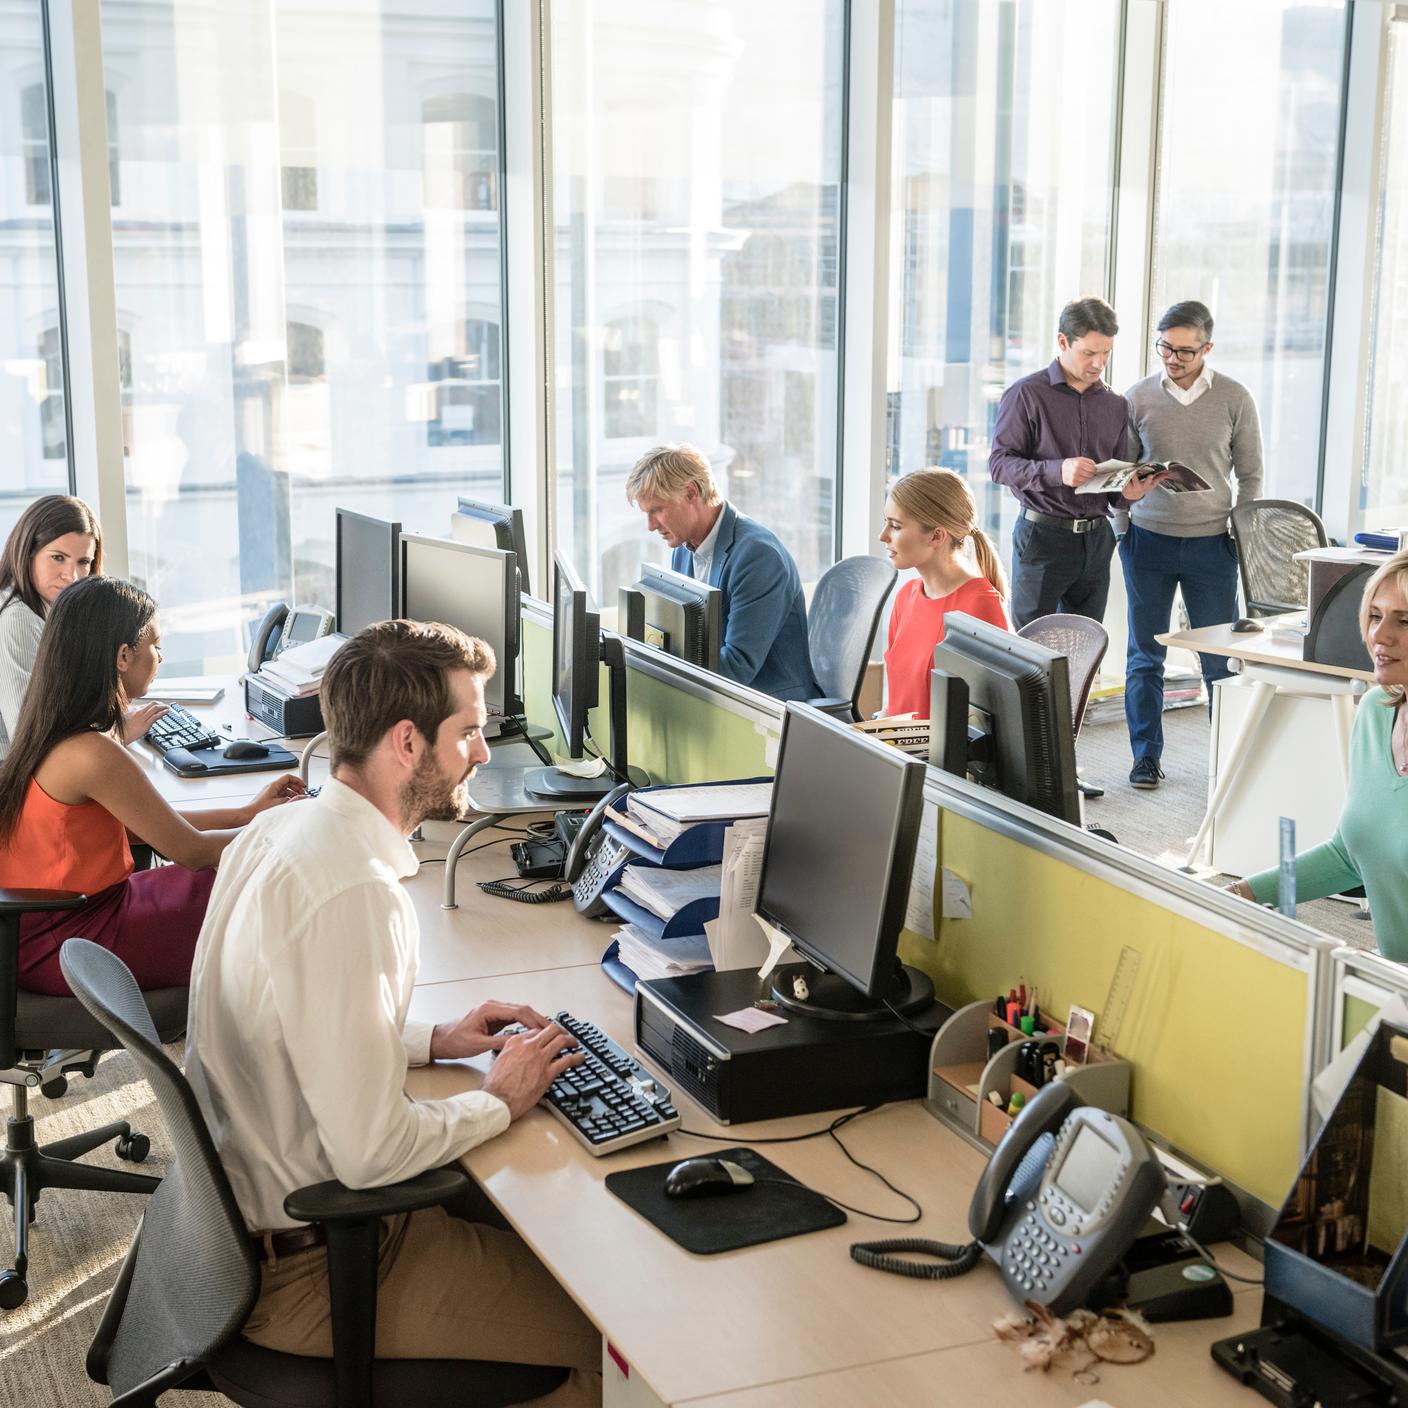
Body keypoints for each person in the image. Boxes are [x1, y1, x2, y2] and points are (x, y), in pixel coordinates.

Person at [184, 619, 601, 1405]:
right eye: (469, 732)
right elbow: (371, 1157)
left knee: (550, 1231)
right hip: (317, 1269)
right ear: (408, 743)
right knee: (616, 1346)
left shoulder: (278, 832)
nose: (483, 752)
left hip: (242, 1238)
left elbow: (283, 1020)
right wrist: (497, 1098)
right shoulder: (356, 894)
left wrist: (434, 1040)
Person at [0, 576, 303, 995]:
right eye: (156, 645)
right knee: (268, 883)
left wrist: (246, 815)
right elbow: (190, 851)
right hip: (75, 943)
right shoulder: (92, 753)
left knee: (240, 877)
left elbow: (144, 826)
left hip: (57, 926)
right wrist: (289, 829)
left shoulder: (57, 732)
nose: (160, 656)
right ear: (124, 656)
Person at [1228, 552, 1408, 963]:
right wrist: (1242, 894)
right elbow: (1350, 853)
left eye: (1405, 620)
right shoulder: (1375, 714)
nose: (1380, 636)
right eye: (1375, 616)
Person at [1120, 301, 1264, 791]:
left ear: (1207, 347)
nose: (1173, 358)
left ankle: (1226, 759)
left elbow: (1251, 475)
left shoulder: (1234, 397)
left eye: (1184, 350)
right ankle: (1145, 758)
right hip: (1148, 541)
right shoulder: (1137, 396)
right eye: (1165, 347)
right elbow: (1120, 471)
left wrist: (1241, 537)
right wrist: (1123, 531)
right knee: (1145, 655)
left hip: (1211, 545)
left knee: (1218, 659)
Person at [989, 296, 1167, 630]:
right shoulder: (1026, 394)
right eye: (1089, 353)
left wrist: (1132, 491)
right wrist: (1058, 470)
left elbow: (1114, 492)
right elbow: (1000, 465)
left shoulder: (1115, 404)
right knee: (1033, 651)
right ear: (1062, 341)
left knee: (1085, 651)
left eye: (1106, 353)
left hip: (1097, 539)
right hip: (1042, 537)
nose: (1099, 363)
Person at [626, 443, 820, 701]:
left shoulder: (758, 557)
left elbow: (737, 666)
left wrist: (661, 663)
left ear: (691, 493)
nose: (651, 526)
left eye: (657, 510)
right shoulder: (683, 548)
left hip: (769, 706)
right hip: (719, 696)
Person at [0, 494, 167, 760]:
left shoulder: (49, 611)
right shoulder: (17, 619)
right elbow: (27, 738)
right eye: (58, 558)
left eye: (83, 562)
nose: (72, 575)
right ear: (27, 553)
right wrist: (117, 734)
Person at [880, 467, 1009, 717]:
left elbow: (991, 722)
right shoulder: (906, 596)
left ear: (937, 536)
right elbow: (896, 703)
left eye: (895, 526)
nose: (883, 535)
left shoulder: (981, 605)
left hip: (937, 755)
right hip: (898, 748)